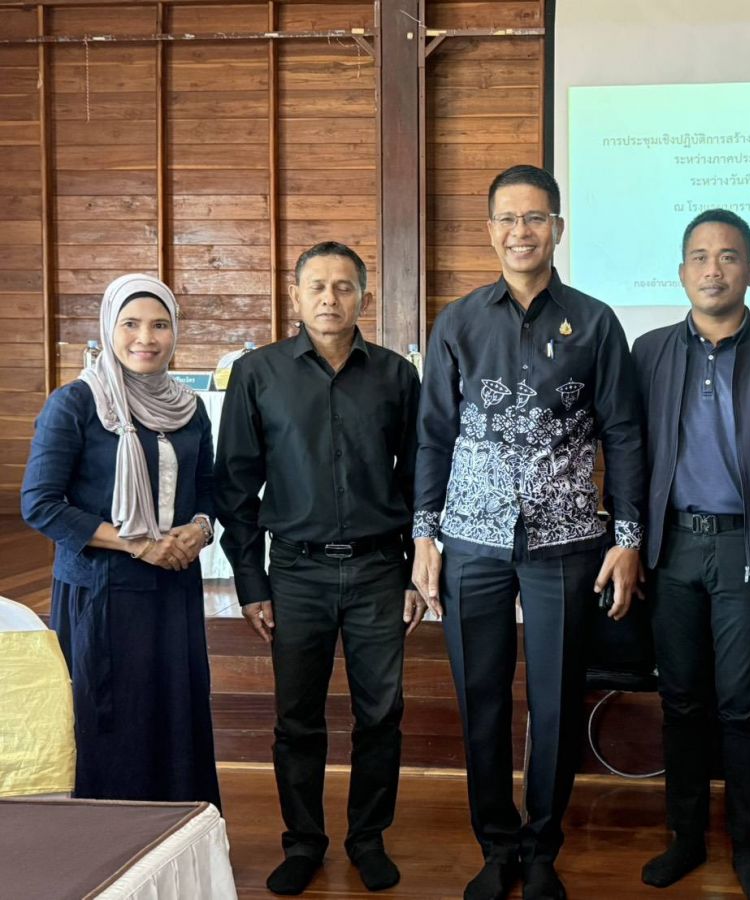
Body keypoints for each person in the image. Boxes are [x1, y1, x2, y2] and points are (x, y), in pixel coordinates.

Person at [411, 164, 644, 900]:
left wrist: (628, 538)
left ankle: (542, 845)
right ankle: (496, 845)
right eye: (508, 219)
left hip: (566, 540)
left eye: (536, 218)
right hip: (471, 541)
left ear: (558, 229)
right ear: (490, 232)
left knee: (556, 700)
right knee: (480, 698)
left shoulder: (596, 322)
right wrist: (424, 537)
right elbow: (432, 436)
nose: (522, 231)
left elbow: (625, 434)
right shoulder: (457, 322)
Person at [214, 242, 422, 895]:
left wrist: (414, 572)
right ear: (296, 297)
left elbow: (418, 479)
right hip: (295, 573)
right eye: (317, 287)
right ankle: (304, 842)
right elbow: (235, 487)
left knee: (380, 716)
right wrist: (251, 583)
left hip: (378, 570)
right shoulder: (258, 373)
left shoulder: (396, 376)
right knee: (296, 720)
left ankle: (368, 839)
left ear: (365, 297)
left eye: (344, 287)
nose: (330, 299)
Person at [631, 209, 750, 900]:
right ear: (682, 271)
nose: (713, 269)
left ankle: (747, 843)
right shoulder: (650, 351)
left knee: (743, 704)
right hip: (672, 548)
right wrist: (631, 542)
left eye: (728, 256)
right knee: (681, 701)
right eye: (700, 257)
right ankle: (685, 837)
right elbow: (629, 454)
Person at [21, 273, 220, 808]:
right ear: (108, 328)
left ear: (175, 332)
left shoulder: (189, 407)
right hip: (102, 592)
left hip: (173, 587)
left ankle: (176, 837)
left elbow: (208, 489)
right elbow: (40, 503)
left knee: (176, 714)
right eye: (130, 324)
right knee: (111, 722)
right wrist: (138, 544)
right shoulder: (76, 403)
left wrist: (199, 529)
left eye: (159, 325)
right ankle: (113, 844)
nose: (145, 338)